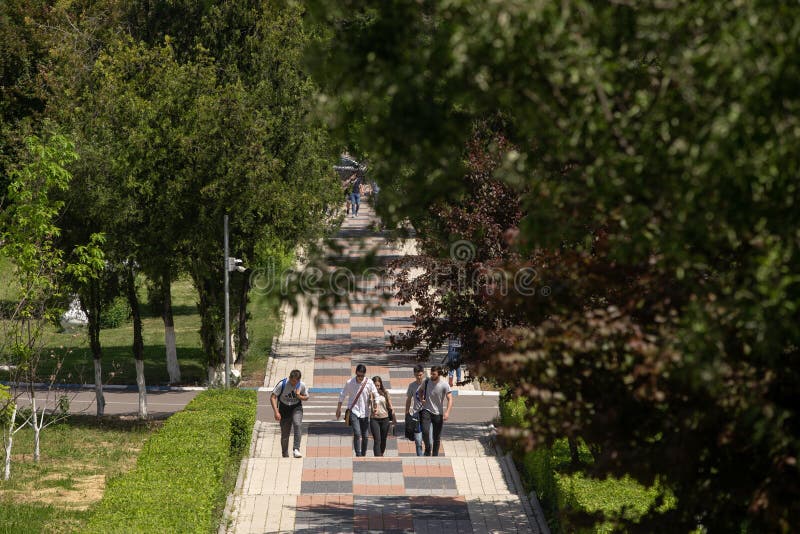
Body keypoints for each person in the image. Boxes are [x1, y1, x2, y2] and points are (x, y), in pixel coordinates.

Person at [336, 364, 378, 456]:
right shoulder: (350, 382)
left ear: (364, 374)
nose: (360, 378)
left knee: (366, 436)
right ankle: (358, 454)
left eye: (362, 376)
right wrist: (338, 409)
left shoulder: (369, 382)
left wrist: (376, 404)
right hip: (353, 411)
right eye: (358, 375)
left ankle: (363, 453)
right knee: (357, 433)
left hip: (365, 412)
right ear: (355, 373)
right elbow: (342, 395)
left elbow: (376, 394)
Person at [270, 369, 309, 458]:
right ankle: (285, 454)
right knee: (285, 433)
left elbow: (306, 397)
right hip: (284, 408)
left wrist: (299, 396)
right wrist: (276, 412)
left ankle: (296, 449)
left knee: (297, 424)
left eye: (296, 381)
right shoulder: (282, 384)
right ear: (289, 378)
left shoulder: (301, 385)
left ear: (299, 380)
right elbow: (272, 397)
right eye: (292, 381)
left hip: (296, 407)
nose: (294, 383)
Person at [418, 365, 454, 456]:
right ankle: (428, 448)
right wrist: (421, 399)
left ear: (439, 374)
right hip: (426, 410)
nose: (432, 376)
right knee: (425, 431)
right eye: (431, 373)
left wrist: (447, 412)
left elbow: (450, 399)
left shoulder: (444, 384)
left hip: (438, 413)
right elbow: (420, 391)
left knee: (436, 437)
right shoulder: (426, 381)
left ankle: (435, 455)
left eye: (434, 374)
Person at [369, 376, 396, 456]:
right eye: (375, 385)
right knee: (377, 440)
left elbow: (390, 406)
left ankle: (381, 454)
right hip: (374, 419)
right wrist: (371, 396)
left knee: (383, 439)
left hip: (385, 419)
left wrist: (394, 418)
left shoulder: (385, 393)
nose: (377, 387)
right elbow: (367, 404)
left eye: (378, 385)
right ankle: (377, 457)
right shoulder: (369, 393)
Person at [405, 364, 427, 456]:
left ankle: (427, 456)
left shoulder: (428, 384)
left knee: (428, 440)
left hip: (427, 415)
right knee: (418, 441)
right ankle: (420, 459)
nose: (419, 377)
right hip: (416, 415)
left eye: (420, 375)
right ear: (414, 374)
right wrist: (406, 413)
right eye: (417, 375)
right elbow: (409, 399)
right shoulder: (412, 386)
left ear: (424, 374)